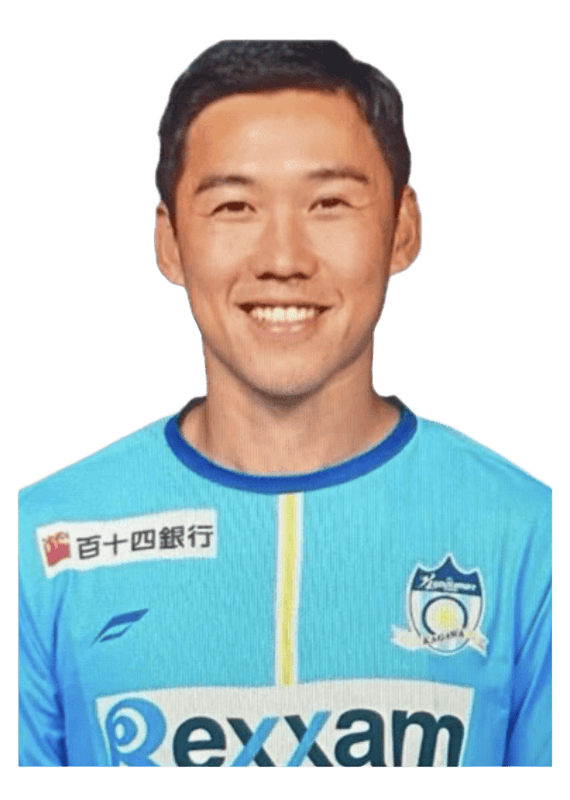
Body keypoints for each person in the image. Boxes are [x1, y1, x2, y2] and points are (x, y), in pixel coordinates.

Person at [18, 39, 552, 768]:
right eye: (234, 205)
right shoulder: (39, 543)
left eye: (329, 203)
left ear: (403, 229)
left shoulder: (532, 538)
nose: (283, 259)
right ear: (168, 242)